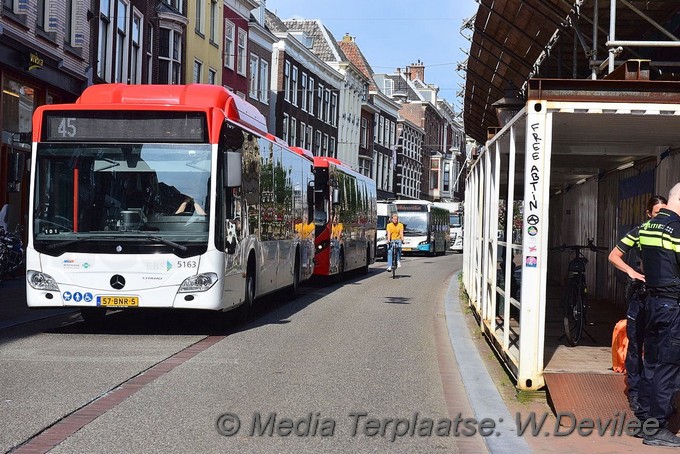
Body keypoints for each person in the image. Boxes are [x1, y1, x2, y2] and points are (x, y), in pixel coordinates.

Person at [608, 195, 667, 414]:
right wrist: (632, 272)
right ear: (649, 214)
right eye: (657, 212)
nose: (661, 217)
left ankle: (655, 393)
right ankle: (634, 392)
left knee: (659, 347)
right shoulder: (641, 231)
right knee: (636, 344)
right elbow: (614, 255)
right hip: (641, 295)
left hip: (662, 297)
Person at [636, 184, 680, 447]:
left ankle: (644, 421)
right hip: (673, 305)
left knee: (651, 363)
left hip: (652, 303)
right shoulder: (677, 230)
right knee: (669, 366)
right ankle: (657, 427)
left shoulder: (647, 227)